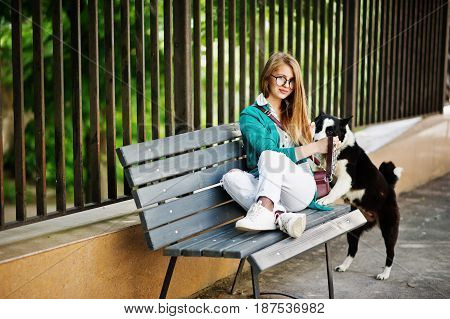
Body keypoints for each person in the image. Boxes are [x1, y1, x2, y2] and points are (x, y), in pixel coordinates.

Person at [220, 52, 341, 238]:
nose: (287, 86)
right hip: (266, 186)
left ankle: (266, 210)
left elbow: (312, 160)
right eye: (281, 78)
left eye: (291, 81)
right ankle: (281, 218)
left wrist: (319, 144)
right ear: (268, 77)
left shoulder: (295, 111)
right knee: (230, 178)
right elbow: (268, 152)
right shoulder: (250, 115)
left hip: (298, 189)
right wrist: (313, 147)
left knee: (271, 157)